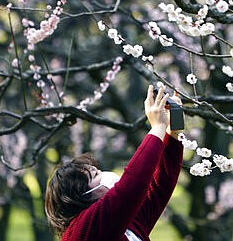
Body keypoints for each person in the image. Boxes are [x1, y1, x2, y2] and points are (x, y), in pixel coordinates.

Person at [44, 85, 184, 241]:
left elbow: (159, 188)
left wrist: (173, 131)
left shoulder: (125, 223)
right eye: (95, 175)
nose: (104, 174)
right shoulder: (84, 230)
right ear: (82, 196)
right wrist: (157, 127)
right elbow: (132, 185)